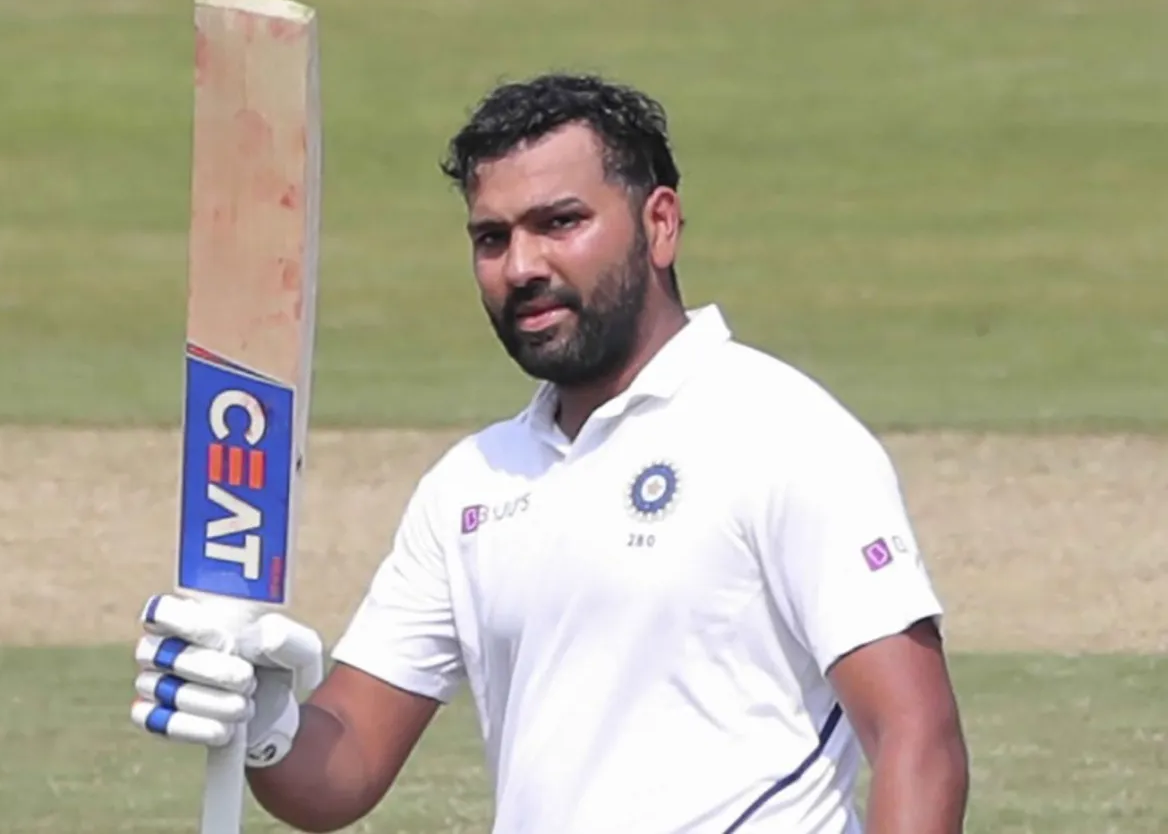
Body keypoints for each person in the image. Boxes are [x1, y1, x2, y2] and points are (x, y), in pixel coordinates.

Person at [130, 72, 970, 833]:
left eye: (560, 223)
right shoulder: (471, 484)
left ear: (660, 225)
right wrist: (266, 722)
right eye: (491, 239)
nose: (521, 266)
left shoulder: (783, 432)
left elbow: (918, 739)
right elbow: (339, 775)